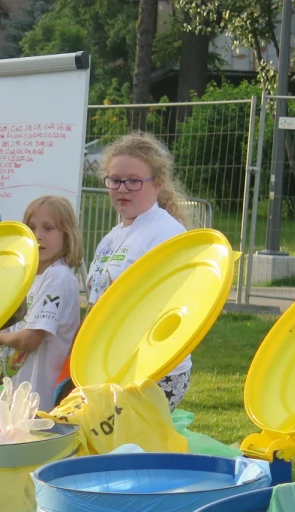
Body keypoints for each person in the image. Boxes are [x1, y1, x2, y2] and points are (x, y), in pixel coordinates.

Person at [86, 132, 190, 410]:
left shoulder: (165, 234)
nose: (122, 189)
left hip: (153, 372)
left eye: (133, 181)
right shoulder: (114, 235)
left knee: (127, 448)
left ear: (157, 183)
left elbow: (174, 311)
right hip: (112, 365)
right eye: (115, 180)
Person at [0, 195, 82, 412]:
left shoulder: (58, 276)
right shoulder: (30, 279)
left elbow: (30, 339)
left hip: (43, 401)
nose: (38, 235)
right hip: (22, 396)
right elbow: (14, 327)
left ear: (67, 236)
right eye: (31, 227)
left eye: (48, 228)